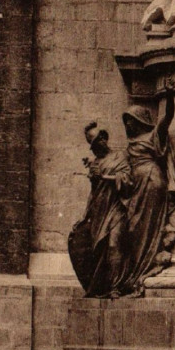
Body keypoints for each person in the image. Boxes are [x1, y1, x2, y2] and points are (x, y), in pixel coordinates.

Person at [120, 77, 175, 298]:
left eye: (130, 121)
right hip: (136, 187)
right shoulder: (130, 145)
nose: (127, 125)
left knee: (147, 226)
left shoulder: (153, 135)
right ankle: (136, 273)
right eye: (125, 122)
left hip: (152, 183)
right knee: (133, 227)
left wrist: (169, 95)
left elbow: (167, 118)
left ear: (140, 121)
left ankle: (142, 271)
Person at [68, 123, 132, 298]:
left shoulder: (120, 156)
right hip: (100, 210)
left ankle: (115, 287)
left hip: (117, 207)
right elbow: (93, 193)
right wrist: (84, 216)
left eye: (102, 137)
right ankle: (103, 286)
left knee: (114, 244)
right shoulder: (95, 163)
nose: (101, 141)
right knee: (98, 248)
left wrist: (104, 177)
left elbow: (127, 180)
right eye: (96, 141)